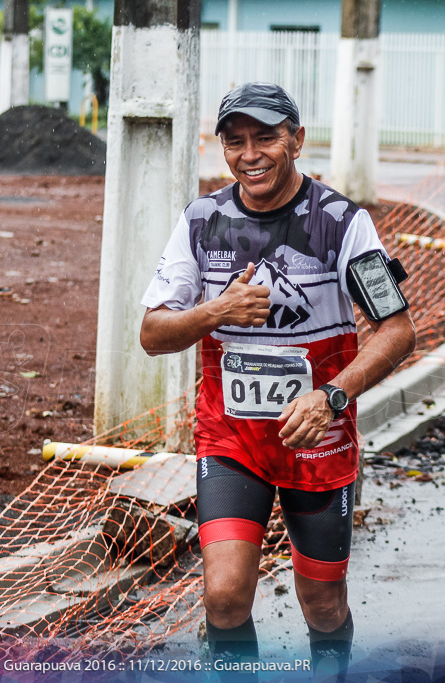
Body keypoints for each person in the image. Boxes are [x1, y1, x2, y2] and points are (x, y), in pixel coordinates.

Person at [138, 82, 417, 678]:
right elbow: (152, 333)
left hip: (316, 439)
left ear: (296, 140)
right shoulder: (201, 221)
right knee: (224, 596)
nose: (250, 154)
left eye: (266, 137)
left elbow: (398, 332)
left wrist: (332, 395)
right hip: (232, 439)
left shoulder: (342, 223)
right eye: (234, 142)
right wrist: (216, 311)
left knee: (321, 605)